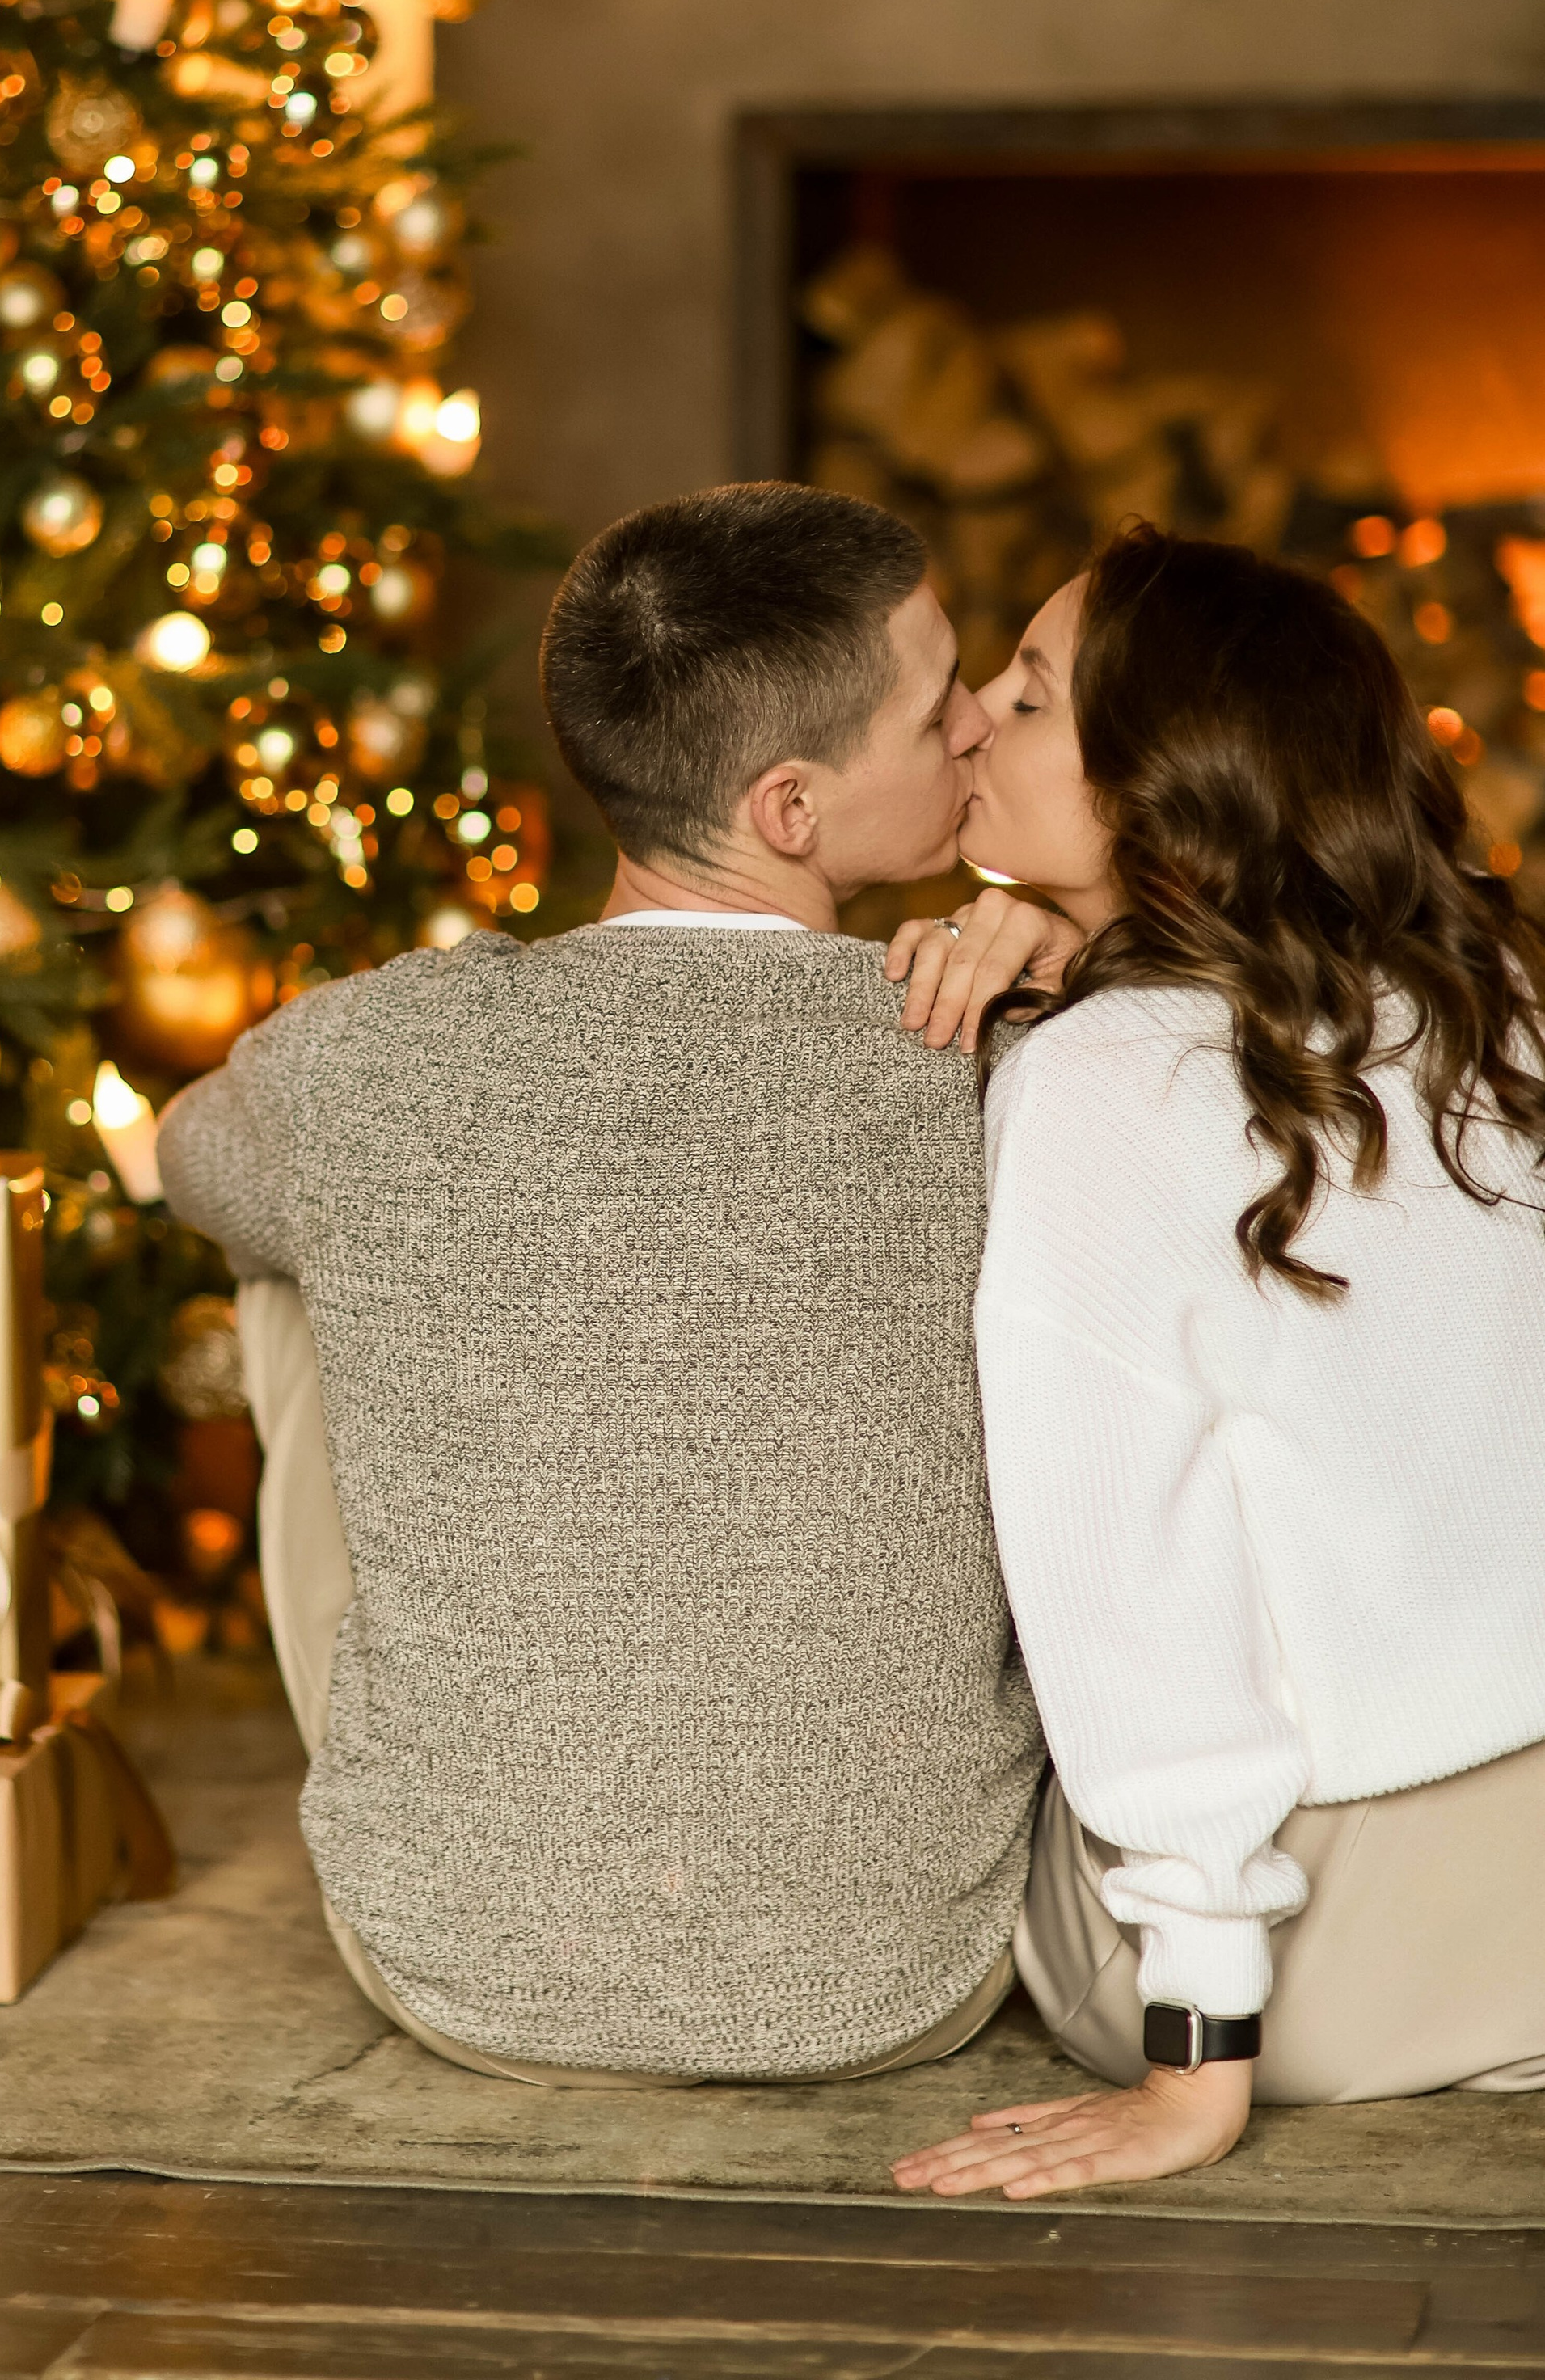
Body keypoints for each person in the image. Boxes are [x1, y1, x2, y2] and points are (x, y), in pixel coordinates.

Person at [158, 480, 1067, 2087]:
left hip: (453, 1969)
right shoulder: (1007, 1065)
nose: (985, 726)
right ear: (787, 809)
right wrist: (1079, 944)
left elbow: (186, 1157)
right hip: (903, 1968)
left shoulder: (370, 1051)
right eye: (939, 710)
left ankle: (500, 1802)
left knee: (297, 1261)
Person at [892, 522, 1545, 2204]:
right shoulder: (1490, 1005)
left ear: (1157, 781)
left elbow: (1129, 1582)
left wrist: (1195, 2054)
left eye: (1025, 696)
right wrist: (1058, 936)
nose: (968, 716)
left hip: (1320, 1964)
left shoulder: (1104, 1083)